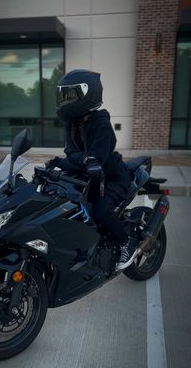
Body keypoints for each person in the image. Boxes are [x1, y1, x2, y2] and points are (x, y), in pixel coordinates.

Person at [46, 69, 134, 270]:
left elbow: (98, 159)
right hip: (89, 177)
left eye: (70, 96)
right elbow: (71, 153)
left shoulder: (101, 123)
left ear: (87, 95)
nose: (65, 101)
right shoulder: (71, 123)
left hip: (111, 178)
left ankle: (125, 242)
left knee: (103, 212)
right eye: (63, 96)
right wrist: (81, 160)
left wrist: (78, 160)